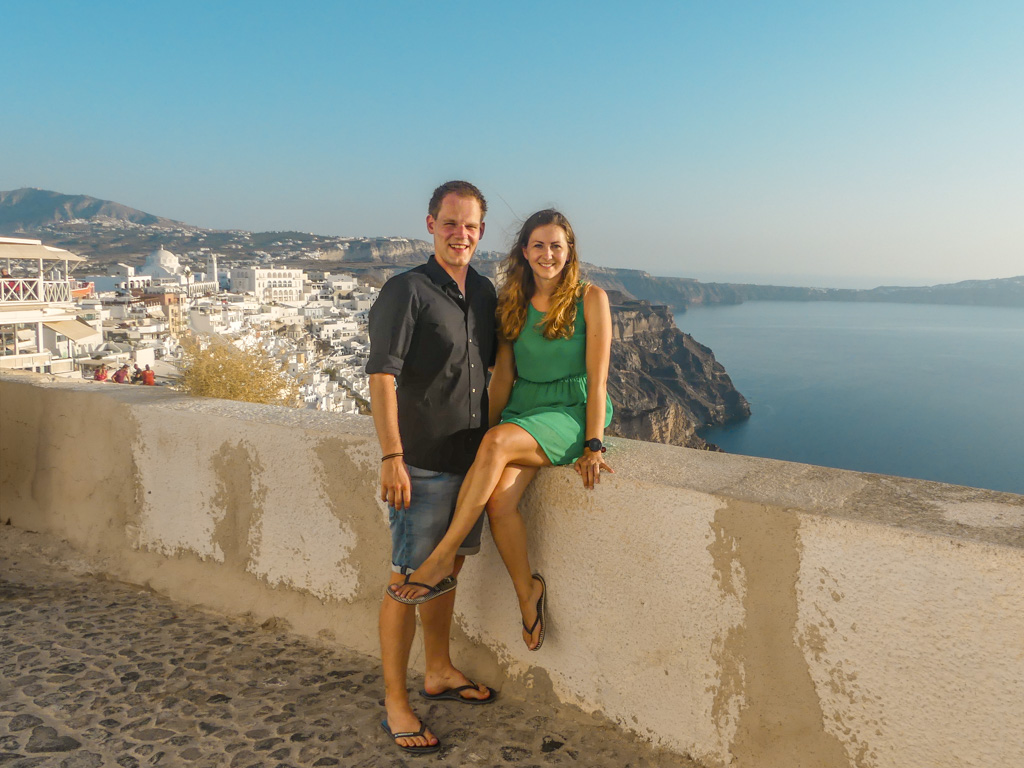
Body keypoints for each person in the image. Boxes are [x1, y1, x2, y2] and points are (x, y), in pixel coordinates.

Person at [388, 209, 614, 654]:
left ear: (569, 252)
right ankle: (528, 591)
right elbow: (504, 376)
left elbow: (598, 378)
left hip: (570, 411)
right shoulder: (513, 301)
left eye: (556, 246)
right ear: (524, 251)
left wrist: (594, 444)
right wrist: (487, 442)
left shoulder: (591, 298)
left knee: (495, 442)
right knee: (499, 501)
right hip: (524, 410)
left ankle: (440, 559)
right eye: (538, 245)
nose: (547, 254)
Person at [366, 180, 499, 755]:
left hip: (470, 465)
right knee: (408, 582)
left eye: (469, 226)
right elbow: (382, 376)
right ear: (430, 225)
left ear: (481, 232)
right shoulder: (407, 290)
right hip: (419, 465)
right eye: (450, 223)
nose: (459, 235)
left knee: (446, 571)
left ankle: (439, 670)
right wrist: (391, 457)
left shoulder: (485, 293)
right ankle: (396, 702)